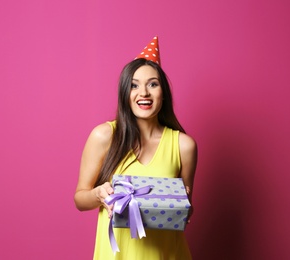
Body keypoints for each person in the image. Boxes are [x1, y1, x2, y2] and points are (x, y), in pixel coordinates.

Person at [74, 36, 198, 260]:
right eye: (134, 85)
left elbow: (186, 212)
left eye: (153, 84)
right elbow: (79, 199)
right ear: (124, 93)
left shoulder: (184, 145)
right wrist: (99, 194)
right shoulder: (104, 136)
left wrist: (184, 205)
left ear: (164, 92)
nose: (143, 93)